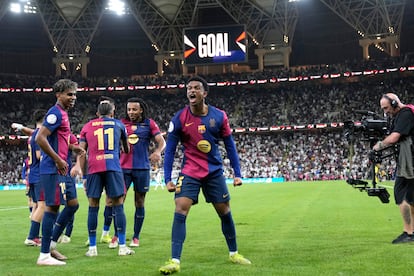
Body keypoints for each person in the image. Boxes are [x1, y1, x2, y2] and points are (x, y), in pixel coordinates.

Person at [159, 76, 251, 275]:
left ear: (204, 93)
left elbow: (230, 145)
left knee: (224, 210)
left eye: (196, 88)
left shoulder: (219, 116)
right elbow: (171, 149)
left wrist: (237, 173)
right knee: (180, 208)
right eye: (189, 88)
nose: (191, 91)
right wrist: (167, 178)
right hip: (190, 171)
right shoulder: (179, 118)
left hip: (213, 171)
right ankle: (174, 260)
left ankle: (234, 253)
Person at [73, 98, 135, 257]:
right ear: (112, 112)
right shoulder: (119, 124)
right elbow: (127, 149)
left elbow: (81, 151)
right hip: (113, 167)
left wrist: (80, 168)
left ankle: (92, 248)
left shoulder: (87, 127)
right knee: (118, 205)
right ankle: (122, 247)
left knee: (93, 206)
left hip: (94, 168)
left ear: (97, 113)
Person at [35, 79, 85, 265]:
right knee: (52, 207)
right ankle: (44, 255)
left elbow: (58, 139)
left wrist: (73, 147)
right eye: (69, 94)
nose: (73, 98)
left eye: (74, 94)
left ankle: (52, 244)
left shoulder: (63, 114)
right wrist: (57, 159)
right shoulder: (55, 113)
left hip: (62, 169)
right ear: (58, 94)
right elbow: (40, 138)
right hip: (53, 168)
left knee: (72, 204)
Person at [117, 97, 166, 247]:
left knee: (139, 202)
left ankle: (136, 237)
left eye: (134, 109)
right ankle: (117, 235)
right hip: (123, 168)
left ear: (141, 110)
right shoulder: (120, 123)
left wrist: (157, 152)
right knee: (118, 201)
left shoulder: (149, 124)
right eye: (129, 109)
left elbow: (162, 142)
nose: (131, 112)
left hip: (142, 168)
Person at [373, 93, 414, 244]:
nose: (386, 111)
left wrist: (378, 146)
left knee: (400, 195)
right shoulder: (404, 114)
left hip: (409, 161)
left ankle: (408, 232)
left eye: (387, 108)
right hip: (408, 160)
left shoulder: (405, 114)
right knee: (410, 197)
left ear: (395, 103)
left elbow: (395, 137)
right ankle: (411, 232)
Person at [12, 109, 47, 247]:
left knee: (37, 205)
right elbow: (40, 156)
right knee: (42, 206)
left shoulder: (34, 135)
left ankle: (34, 236)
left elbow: (31, 132)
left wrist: (20, 127)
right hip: (39, 174)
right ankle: (32, 236)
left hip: (32, 174)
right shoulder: (40, 136)